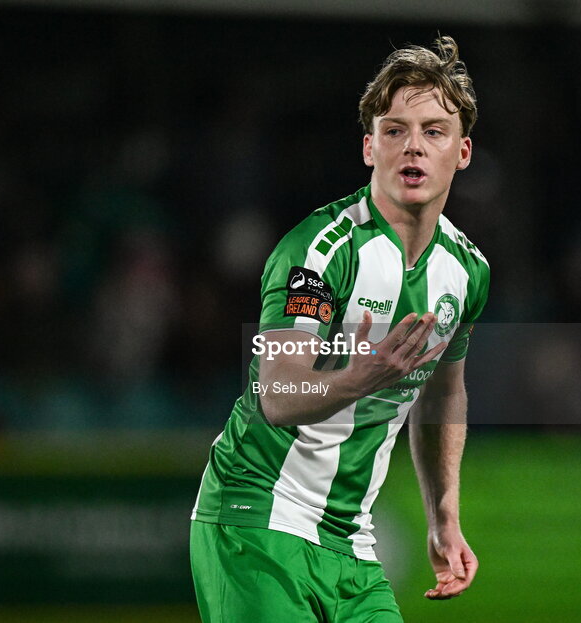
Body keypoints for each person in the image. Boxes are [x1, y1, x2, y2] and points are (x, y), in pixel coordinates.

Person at [190, 35, 489, 622]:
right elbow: (278, 393)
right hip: (255, 523)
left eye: (433, 131)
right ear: (368, 147)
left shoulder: (466, 271)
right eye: (395, 129)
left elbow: (442, 396)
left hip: (351, 546)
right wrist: (364, 376)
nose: (413, 147)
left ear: (463, 153)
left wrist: (444, 517)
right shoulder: (320, 252)